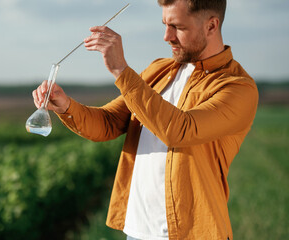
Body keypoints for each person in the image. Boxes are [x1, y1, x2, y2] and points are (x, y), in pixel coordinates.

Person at [32, 0, 258, 239]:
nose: (166, 36)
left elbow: (180, 131)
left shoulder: (237, 88)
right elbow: (109, 122)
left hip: (192, 234)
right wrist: (65, 106)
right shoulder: (158, 70)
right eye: (165, 24)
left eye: (177, 27)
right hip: (137, 232)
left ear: (211, 26)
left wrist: (121, 70)